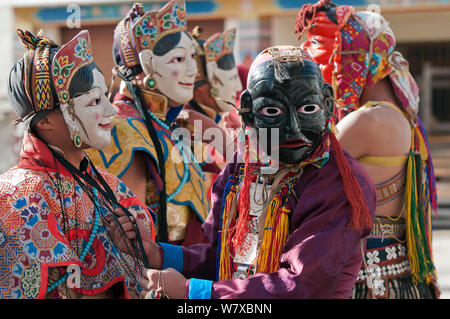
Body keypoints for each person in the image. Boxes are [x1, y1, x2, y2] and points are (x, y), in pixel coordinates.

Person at [110, 46, 377, 299]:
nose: (294, 129)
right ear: (248, 111)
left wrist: (195, 292)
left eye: (309, 109)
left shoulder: (340, 182)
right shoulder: (243, 166)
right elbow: (221, 257)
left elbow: (301, 285)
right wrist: (158, 254)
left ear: (328, 105)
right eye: (272, 111)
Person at [295, 0, 440, 298]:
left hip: (370, 286)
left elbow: (296, 174)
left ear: (351, 60)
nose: (322, 73)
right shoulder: (402, 116)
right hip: (398, 280)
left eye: (325, 59)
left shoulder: (368, 120)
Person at [0, 29, 155, 299]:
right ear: (45, 120)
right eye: (95, 101)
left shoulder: (111, 188)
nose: (110, 110)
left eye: (106, 96)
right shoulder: (15, 199)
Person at [87, 0, 210, 246]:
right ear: (147, 64)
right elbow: (132, 243)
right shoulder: (123, 130)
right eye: (178, 59)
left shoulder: (163, 124)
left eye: (192, 57)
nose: (192, 70)